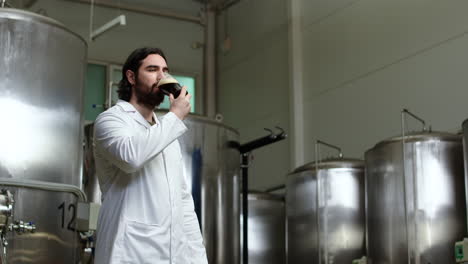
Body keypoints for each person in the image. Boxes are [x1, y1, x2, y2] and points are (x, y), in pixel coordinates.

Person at [93, 47, 208, 264]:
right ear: (131, 76)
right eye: (152, 69)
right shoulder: (111, 120)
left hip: (173, 254)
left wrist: (198, 258)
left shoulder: (166, 132)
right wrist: (175, 116)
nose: (161, 77)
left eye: (165, 70)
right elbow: (131, 157)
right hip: (129, 251)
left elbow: (182, 199)